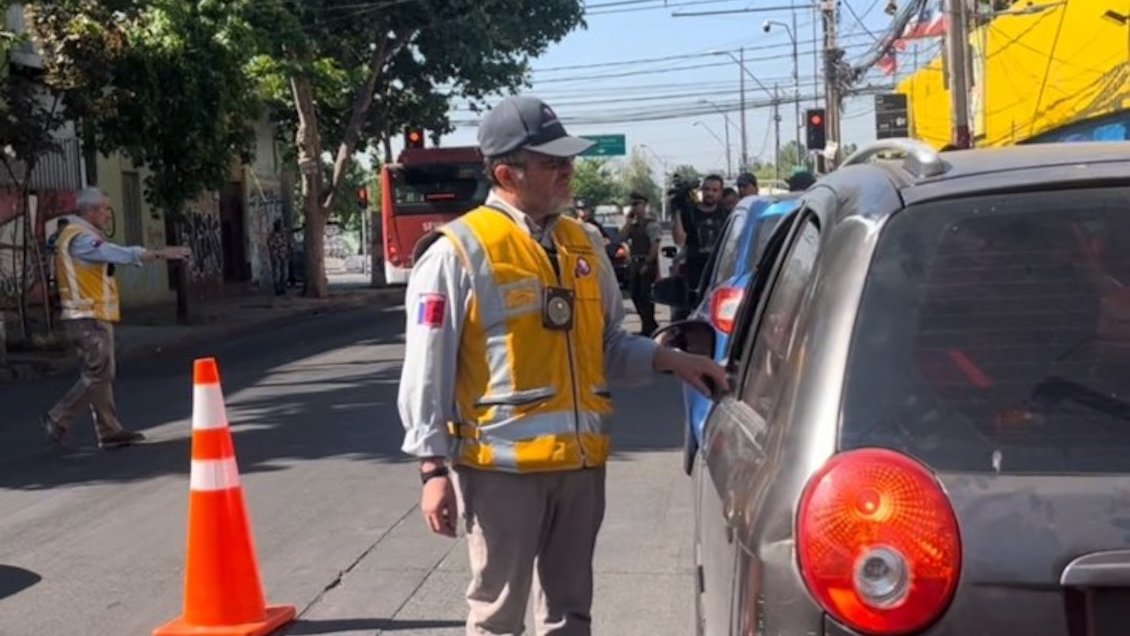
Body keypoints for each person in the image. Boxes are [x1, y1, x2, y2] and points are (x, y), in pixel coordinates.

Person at [398, 95, 728, 636]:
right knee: (497, 615)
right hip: (499, 471)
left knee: (570, 614)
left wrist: (672, 358)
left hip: (579, 468)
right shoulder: (455, 253)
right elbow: (425, 370)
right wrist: (432, 468)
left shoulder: (585, 243)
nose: (568, 171)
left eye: (568, 160)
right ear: (507, 172)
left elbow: (608, 348)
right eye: (553, 162)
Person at [40, 187, 191, 449]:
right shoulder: (81, 239)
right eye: (105, 209)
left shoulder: (72, 235)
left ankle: (109, 430)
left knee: (99, 374)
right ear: (90, 211)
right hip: (88, 316)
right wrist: (160, 253)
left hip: (86, 315)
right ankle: (59, 417)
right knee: (99, 374)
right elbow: (114, 253)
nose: (109, 215)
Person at [671, 173, 727, 319]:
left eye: (715, 190)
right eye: (707, 189)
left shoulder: (727, 215)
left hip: (719, 274)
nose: (710, 193)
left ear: (721, 192)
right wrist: (677, 211)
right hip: (695, 276)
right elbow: (679, 240)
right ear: (701, 190)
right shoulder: (691, 212)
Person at [619, 192, 661, 336]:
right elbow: (621, 237)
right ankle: (647, 324)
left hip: (645, 262)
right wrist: (628, 221)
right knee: (635, 295)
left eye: (638, 204)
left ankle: (650, 325)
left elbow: (655, 245)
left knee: (645, 297)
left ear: (645, 205)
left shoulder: (651, 224)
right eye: (633, 205)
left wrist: (648, 263)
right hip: (634, 263)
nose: (635, 208)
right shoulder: (633, 225)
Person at [268, 219, 290, 296]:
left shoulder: (283, 233)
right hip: (276, 255)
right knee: (277, 272)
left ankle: (283, 288)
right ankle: (277, 288)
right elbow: (271, 246)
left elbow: (286, 243)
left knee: (284, 272)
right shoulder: (272, 235)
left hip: (283, 254)